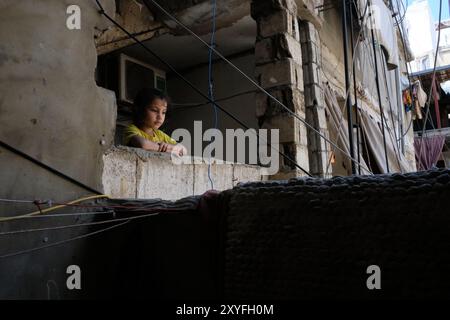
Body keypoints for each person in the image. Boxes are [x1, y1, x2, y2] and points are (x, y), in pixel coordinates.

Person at [124, 88, 187, 157]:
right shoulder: (132, 129)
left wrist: (168, 147)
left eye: (163, 112)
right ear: (140, 110)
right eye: (154, 110)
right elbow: (144, 144)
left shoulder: (160, 134)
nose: (160, 117)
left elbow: (183, 150)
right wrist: (171, 149)